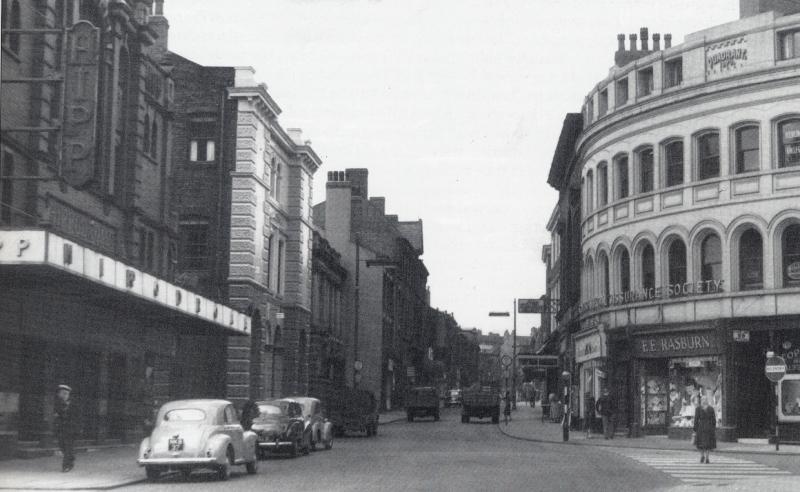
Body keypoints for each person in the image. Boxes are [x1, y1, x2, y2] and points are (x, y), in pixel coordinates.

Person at [54, 385, 76, 472]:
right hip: (61, 429)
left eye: (66, 394)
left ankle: (66, 466)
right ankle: (71, 458)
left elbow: (77, 417)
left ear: (68, 395)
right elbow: (57, 415)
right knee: (62, 445)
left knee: (68, 447)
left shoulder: (73, 404)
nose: (63, 395)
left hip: (71, 429)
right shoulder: (58, 404)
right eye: (62, 393)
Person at [693, 395, 717, 464]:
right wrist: (695, 428)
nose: (704, 401)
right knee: (704, 444)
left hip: (705, 427)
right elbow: (696, 419)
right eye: (703, 399)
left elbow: (713, 419)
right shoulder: (701, 408)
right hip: (704, 427)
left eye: (705, 399)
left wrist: (713, 428)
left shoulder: (708, 409)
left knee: (704, 444)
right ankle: (704, 456)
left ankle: (705, 457)